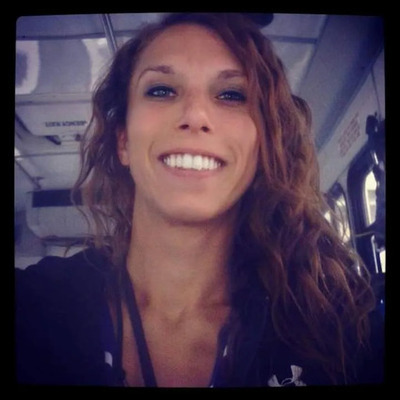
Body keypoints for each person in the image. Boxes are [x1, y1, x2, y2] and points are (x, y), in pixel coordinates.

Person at [15, 12, 384, 387]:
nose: (194, 115)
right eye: (161, 90)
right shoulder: (33, 307)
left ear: (261, 145)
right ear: (123, 141)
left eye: (232, 95)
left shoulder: (339, 329)